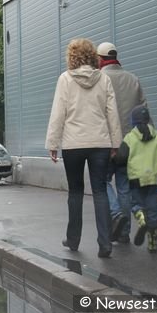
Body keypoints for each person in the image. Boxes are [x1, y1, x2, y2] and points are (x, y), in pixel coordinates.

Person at [46, 38, 122, 258]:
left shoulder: (65, 79)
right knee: (100, 190)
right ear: (92, 56)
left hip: (73, 144)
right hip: (100, 143)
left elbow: (58, 112)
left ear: (72, 57)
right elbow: (112, 113)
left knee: (75, 191)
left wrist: (53, 143)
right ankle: (105, 243)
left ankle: (73, 239)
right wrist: (115, 142)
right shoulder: (104, 79)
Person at [97, 42, 148, 244]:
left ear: (100, 59)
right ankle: (124, 232)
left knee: (101, 182)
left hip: (107, 142)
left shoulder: (100, 79)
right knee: (124, 187)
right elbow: (144, 111)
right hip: (131, 143)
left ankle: (117, 214)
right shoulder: (133, 79)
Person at [114, 105, 157, 253]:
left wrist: (115, 164)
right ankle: (153, 243)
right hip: (155, 178)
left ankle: (141, 218)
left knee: (135, 203)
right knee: (153, 209)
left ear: (133, 122)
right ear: (148, 120)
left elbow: (121, 158)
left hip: (136, 179)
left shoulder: (130, 138)